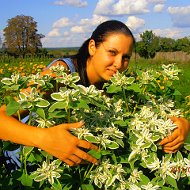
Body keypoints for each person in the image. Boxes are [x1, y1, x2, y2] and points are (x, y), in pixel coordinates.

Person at [0, 20, 189, 167]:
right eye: (112, 52)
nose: (118, 64)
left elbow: (157, 110)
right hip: (25, 163)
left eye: (125, 58)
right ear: (92, 47)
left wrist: (183, 124)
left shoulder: (117, 85)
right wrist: (44, 138)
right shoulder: (62, 72)